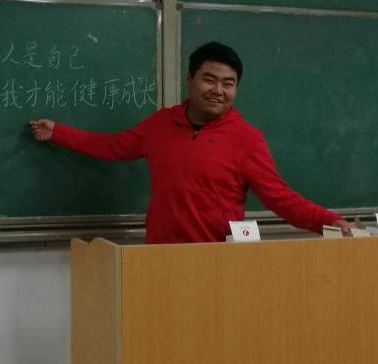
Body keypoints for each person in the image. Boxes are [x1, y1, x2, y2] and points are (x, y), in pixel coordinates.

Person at [29, 41, 351, 243]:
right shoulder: (160, 124)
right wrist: (58, 133)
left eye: (228, 83)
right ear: (190, 80)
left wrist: (328, 221)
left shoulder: (247, 140)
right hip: (160, 258)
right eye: (209, 80)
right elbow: (113, 146)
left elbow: (281, 199)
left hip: (217, 261)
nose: (218, 91)